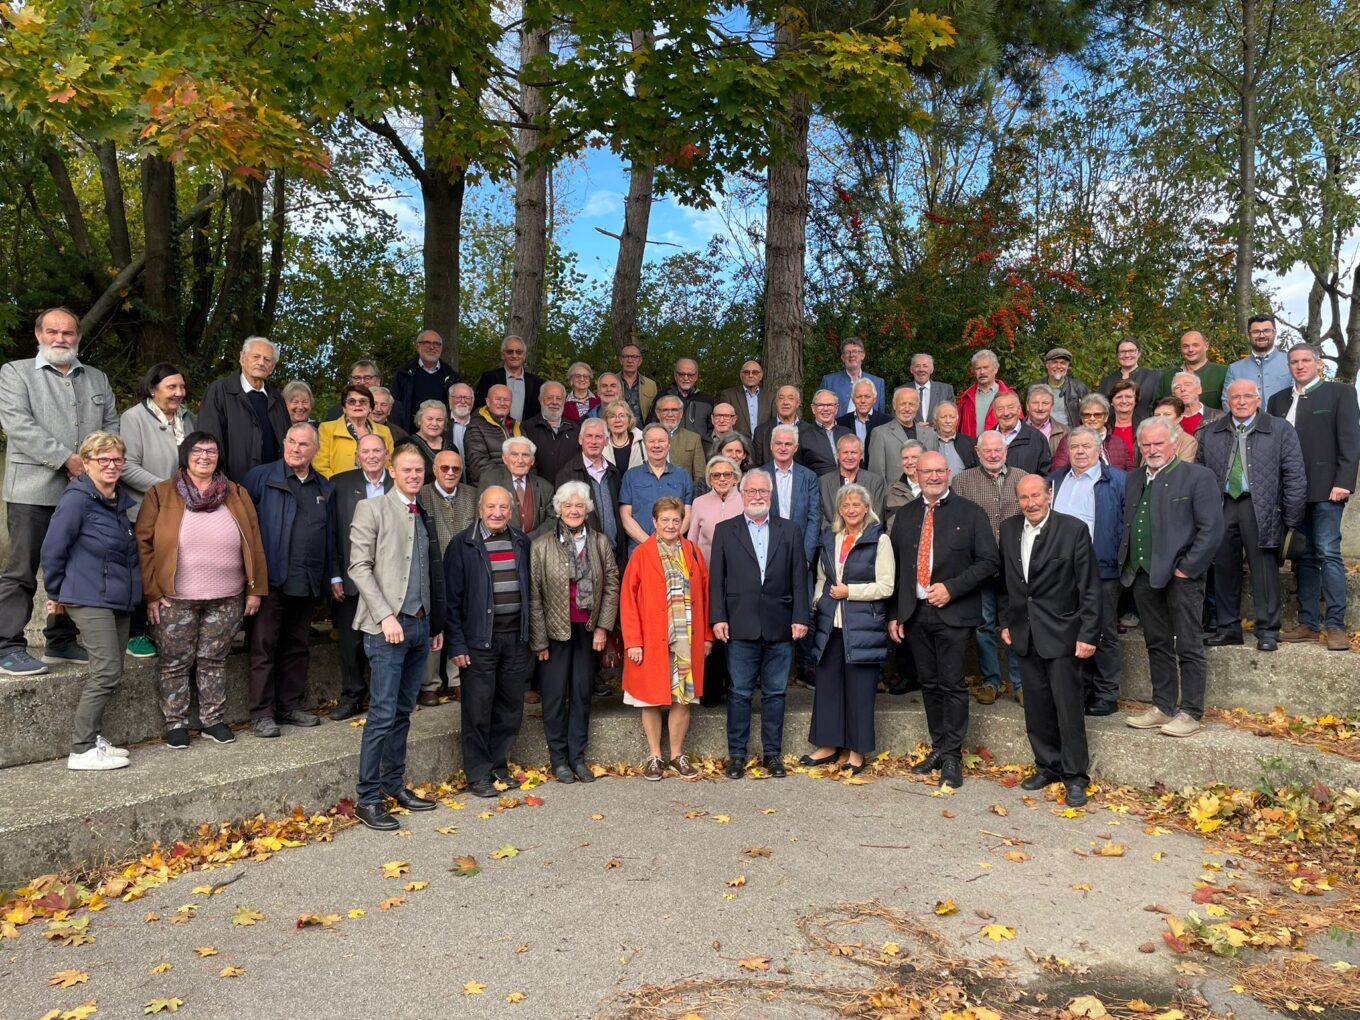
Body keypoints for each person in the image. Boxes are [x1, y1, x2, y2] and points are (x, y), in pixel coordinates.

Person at [0, 307, 118, 675]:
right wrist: (68, 460)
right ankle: (8, 645)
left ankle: (62, 640)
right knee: (22, 569)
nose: (60, 339)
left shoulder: (97, 379)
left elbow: (112, 425)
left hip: (84, 492)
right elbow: (18, 425)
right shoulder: (15, 372)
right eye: (52, 332)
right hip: (32, 490)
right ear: (38, 335)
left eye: (68, 333)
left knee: (75, 568)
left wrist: (95, 466)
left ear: (78, 337)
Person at [136, 431, 267, 748]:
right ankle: (176, 724)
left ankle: (212, 721)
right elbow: (144, 545)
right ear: (185, 455)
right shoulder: (161, 493)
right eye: (198, 450)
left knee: (213, 660)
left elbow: (254, 541)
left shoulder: (236, 493)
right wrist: (152, 593)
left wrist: (255, 589)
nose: (205, 456)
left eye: (211, 451)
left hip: (227, 597)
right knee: (174, 663)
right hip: (175, 598)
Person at [348, 446, 447, 831]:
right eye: (407, 469)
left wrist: (434, 623)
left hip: (420, 627)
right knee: (382, 715)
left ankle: (394, 784)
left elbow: (429, 570)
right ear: (392, 470)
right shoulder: (371, 510)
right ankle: (367, 798)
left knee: (404, 713)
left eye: (419, 470)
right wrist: (385, 615)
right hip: (386, 627)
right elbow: (359, 567)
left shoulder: (423, 512)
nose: (413, 475)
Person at [889, 452, 999, 789]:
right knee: (930, 683)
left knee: (952, 684)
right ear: (916, 475)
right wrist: (896, 612)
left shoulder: (970, 513)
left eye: (940, 470)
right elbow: (895, 568)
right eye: (927, 471)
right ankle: (939, 747)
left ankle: (952, 754)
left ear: (948, 473)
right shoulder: (905, 516)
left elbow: (989, 562)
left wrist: (952, 589)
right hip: (916, 614)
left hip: (954, 612)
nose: (934, 476)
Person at [998, 474, 1100, 806]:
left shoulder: (1073, 531)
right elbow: (1007, 583)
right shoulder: (1010, 529)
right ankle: (1047, 765)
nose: (1030, 503)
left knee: (1068, 708)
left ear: (1049, 495)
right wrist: (1007, 621)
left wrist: (1088, 633)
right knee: (1037, 707)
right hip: (1025, 633)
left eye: (1036, 495)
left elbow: (1089, 587)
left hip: (1063, 635)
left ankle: (1074, 776)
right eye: (1024, 498)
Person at [39, 433, 140, 770]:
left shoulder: (118, 501)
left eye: (117, 459)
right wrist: (56, 593)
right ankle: (81, 749)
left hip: (118, 598)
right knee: (106, 670)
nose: (111, 465)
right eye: (103, 460)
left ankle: (93, 737)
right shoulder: (77, 500)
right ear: (86, 463)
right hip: (88, 595)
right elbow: (53, 549)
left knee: (113, 670)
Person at [1120, 417, 1224, 738]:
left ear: (1174, 444)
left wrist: (1187, 569)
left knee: (1189, 643)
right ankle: (1163, 705)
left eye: (1158, 443)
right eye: (1146, 444)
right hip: (1141, 573)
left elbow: (1212, 529)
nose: (1152, 449)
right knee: (1156, 642)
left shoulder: (1197, 476)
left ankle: (1190, 711)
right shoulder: (1134, 479)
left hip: (1181, 576)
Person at [706, 470, 810, 778]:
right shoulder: (725, 530)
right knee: (739, 692)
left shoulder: (789, 530)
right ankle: (737, 755)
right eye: (751, 491)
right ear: (742, 492)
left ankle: (772, 755)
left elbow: (798, 577)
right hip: (740, 623)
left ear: (771, 494)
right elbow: (717, 579)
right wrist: (718, 616)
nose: (757, 496)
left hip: (780, 622)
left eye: (763, 491)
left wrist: (801, 616)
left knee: (776, 693)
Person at [1198, 380, 1306, 652]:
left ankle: (1268, 630)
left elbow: (1294, 475)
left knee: (1264, 569)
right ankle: (1227, 628)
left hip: (1262, 507)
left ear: (1259, 400)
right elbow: (1198, 475)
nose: (1242, 401)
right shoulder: (1210, 432)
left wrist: (1291, 519)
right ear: (1227, 402)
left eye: (1248, 396)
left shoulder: (1280, 429)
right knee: (1223, 568)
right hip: (1222, 506)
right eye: (1236, 397)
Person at [242, 423, 333, 738]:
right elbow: (244, 529)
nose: (296, 448)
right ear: (283, 444)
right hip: (270, 581)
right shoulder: (261, 478)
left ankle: (289, 706)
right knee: (264, 647)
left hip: (306, 580)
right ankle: (262, 714)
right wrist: (250, 579)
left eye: (304, 444)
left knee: (297, 646)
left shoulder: (324, 486)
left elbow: (329, 536)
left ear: (315, 450)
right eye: (291, 442)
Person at [1269, 344, 1360, 650]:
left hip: (1327, 491)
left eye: (1306, 360)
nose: (1300, 365)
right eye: (1294, 361)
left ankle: (1335, 625)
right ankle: (1309, 623)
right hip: (1290, 493)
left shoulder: (1340, 394)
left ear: (1318, 364)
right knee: (1302, 558)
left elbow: (1350, 441)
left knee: (1328, 554)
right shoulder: (1277, 400)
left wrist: (1344, 482)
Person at [529, 482, 621, 784]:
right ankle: (559, 760)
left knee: (582, 695)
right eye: (567, 505)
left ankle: (577, 758)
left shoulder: (599, 542)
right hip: (554, 633)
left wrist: (603, 628)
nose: (573, 510)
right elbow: (535, 595)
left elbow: (611, 585)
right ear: (558, 509)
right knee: (555, 697)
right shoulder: (542, 545)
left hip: (587, 629)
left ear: (587, 510)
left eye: (579, 505)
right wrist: (539, 639)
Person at [445, 486, 534, 798]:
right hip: (479, 641)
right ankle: (478, 773)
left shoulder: (521, 541)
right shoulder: (462, 544)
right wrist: (456, 644)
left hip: (515, 639)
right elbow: (451, 601)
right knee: (478, 709)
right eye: (491, 507)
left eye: (503, 507)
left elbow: (529, 592)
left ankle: (498, 766)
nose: (497, 513)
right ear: (480, 510)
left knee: (510, 707)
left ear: (511, 511)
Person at [620, 496, 712, 781]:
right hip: (652, 638)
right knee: (649, 698)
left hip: (687, 637)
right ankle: (654, 756)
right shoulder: (642, 553)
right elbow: (628, 599)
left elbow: (705, 596)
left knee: (682, 698)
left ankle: (676, 755)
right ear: (654, 523)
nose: (671, 525)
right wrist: (633, 641)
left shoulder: (692, 551)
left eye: (676, 520)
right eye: (665, 520)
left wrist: (707, 635)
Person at [803, 483, 893, 774]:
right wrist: (819, 600)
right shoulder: (831, 538)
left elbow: (886, 586)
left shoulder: (878, 540)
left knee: (860, 690)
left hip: (862, 626)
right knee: (828, 687)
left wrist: (849, 592)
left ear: (867, 508)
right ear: (839, 510)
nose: (851, 510)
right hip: (831, 626)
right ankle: (828, 746)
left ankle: (856, 751)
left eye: (857, 504)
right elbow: (822, 577)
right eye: (845, 505)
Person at [120, 362, 195, 658]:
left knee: (172, 569)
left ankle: (165, 631)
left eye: (181, 387)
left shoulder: (188, 419)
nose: (178, 393)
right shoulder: (134, 418)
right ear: (153, 388)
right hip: (145, 508)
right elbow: (126, 466)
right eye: (171, 387)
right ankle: (136, 633)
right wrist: (166, 489)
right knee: (144, 569)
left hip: (182, 510)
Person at [1050, 427, 1126, 716]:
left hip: (1101, 568)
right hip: (1062, 573)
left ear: (1098, 450)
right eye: (1074, 447)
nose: (1080, 452)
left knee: (1103, 632)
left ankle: (1106, 693)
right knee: (1071, 633)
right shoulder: (1055, 480)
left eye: (1086, 446)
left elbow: (1124, 525)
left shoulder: (1117, 480)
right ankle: (1080, 691)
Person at [951, 431, 1026, 704]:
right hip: (979, 567)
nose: (994, 455)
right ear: (977, 452)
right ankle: (991, 681)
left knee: (1017, 624)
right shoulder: (962, 482)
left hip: (1016, 566)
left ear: (1005, 451)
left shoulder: (1022, 478)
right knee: (983, 626)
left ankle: (1020, 683)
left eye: (998, 450)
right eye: (988, 451)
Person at [327, 433, 394, 720]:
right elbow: (330, 533)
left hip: (392, 579)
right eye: (365, 451)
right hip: (352, 577)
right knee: (350, 643)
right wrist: (333, 576)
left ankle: (386, 697)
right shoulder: (339, 484)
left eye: (376, 450)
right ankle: (353, 696)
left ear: (386, 454)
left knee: (390, 641)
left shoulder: (400, 484)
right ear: (357, 456)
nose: (371, 456)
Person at [416, 447, 478, 705]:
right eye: (445, 468)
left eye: (456, 469)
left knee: (462, 622)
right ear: (434, 470)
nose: (450, 473)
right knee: (434, 624)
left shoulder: (473, 495)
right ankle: (430, 683)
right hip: (433, 569)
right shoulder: (421, 495)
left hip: (466, 569)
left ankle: (457, 680)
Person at [687, 455, 744, 707]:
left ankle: (735, 689)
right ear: (709, 478)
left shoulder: (745, 500)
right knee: (711, 633)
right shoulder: (699, 502)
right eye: (716, 475)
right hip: (707, 579)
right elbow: (692, 542)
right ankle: (710, 690)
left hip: (740, 580)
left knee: (736, 635)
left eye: (727, 475)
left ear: (736, 477)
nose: (722, 479)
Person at [197, 336, 288, 482]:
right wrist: (218, 482)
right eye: (256, 357)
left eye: (267, 360)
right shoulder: (219, 391)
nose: (261, 363)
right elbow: (208, 440)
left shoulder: (277, 399)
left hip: (271, 487)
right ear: (242, 358)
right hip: (231, 485)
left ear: (272, 367)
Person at [556, 418, 623, 567]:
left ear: (606, 441)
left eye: (599, 437)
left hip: (614, 554)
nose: (594, 441)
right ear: (580, 440)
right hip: (584, 558)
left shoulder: (613, 472)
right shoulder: (567, 474)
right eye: (589, 436)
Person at [619, 424, 695, 551]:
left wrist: (670, 542)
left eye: (661, 441)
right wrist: (651, 544)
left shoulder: (683, 475)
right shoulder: (631, 476)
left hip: (675, 549)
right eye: (651, 441)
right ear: (644, 445)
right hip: (640, 549)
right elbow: (625, 516)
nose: (656, 445)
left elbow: (688, 514)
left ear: (668, 445)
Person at [481, 436, 555, 538]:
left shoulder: (545, 487)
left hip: (535, 547)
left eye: (525, 455)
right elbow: (482, 515)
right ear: (505, 459)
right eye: (514, 454)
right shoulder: (490, 480)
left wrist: (529, 540)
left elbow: (552, 520)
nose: (520, 460)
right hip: (501, 546)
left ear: (532, 460)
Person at [315, 384, 395, 478]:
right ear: (344, 408)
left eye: (363, 401)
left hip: (378, 489)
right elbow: (320, 466)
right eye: (352, 401)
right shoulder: (327, 429)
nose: (357, 404)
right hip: (339, 489)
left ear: (370, 407)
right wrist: (339, 487)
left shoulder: (384, 431)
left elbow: (391, 463)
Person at [390, 329, 461, 433]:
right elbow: (394, 406)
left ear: (441, 348)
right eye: (427, 343)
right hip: (409, 434)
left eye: (437, 344)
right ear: (417, 346)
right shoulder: (403, 374)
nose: (432, 347)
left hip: (442, 435)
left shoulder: (452, 377)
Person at [866, 386, 938, 477]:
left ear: (917, 406)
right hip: (895, 490)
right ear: (894, 405)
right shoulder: (880, 434)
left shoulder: (931, 435)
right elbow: (877, 474)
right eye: (902, 404)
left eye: (911, 404)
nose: (907, 409)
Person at [817, 435, 886, 529]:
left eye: (854, 452)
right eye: (845, 452)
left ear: (861, 455)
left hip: (866, 539)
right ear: (837, 454)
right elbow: (823, 522)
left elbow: (876, 519)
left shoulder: (875, 482)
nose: (849, 457)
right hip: (833, 539)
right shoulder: (823, 482)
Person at [1223, 314, 1290, 407]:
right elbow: (1227, 402)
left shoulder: (1291, 361)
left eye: (1267, 331)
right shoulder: (1234, 369)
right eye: (1256, 332)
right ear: (1248, 336)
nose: (1262, 335)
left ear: (1274, 333)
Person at [473, 335, 544, 424]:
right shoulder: (489, 378)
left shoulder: (537, 383)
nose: (514, 355)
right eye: (510, 352)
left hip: (526, 435)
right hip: (494, 433)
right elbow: (478, 408)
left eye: (519, 352)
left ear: (524, 356)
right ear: (503, 355)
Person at [522, 381, 579, 484]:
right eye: (549, 398)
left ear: (564, 401)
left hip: (569, 494)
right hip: (538, 492)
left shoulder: (575, 429)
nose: (554, 402)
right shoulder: (527, 428)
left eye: (559, 398)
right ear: (540, 399)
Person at [1154, 329, 1227, 410]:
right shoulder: (1167, 377)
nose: (1190, 350)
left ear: (1206, 346)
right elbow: (1157, 409)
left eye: (1195, 345)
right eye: (1185, 346)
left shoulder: (1224, 373)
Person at [323, 361, 409, 429]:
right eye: (357, 378)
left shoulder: (397, 408)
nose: (362, 382)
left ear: (378, 381)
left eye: (367, 378)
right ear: (350, 381)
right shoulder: (335, 412)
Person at [464, 384, 521, 485]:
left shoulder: (517, 426)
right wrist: (510, 479)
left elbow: (530, 457)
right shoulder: (476, 426)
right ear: (488, 401)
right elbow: (478, 464)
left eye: (506, 400)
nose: (502, 403)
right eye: (498, 399)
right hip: (490, 488)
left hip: (517, 485)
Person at [819, 337, 885, 416]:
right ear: (842, 357)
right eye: (847, 352)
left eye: (855, 351)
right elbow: (820, 410)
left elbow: (881, 415)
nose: (851, 355)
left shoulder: (878, 383)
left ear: (863, 355)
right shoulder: (829, 382)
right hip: (838, 427)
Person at [1098, 337, 1160, 419]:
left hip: (1145, 428)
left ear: (1139, 353)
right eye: (1122, 352)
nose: (1127, 355)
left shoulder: (1153, 377)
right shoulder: (1106, 381)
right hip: (1112, 428)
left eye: (1131, 351)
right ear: (1117, 355)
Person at [991, 391, 1051, 476]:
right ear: (994, 412)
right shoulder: (985, 440)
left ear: (1019, 409)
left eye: (1011, 407)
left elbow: (1045, 476)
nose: (1006, 413)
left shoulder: (1037, 439)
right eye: (1000, 409)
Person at [957, 349, 1012, 438]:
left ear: (995, 369)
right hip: (970, 449)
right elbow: (957, 426)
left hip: (999, 449)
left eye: (986, 367)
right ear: (974, 372)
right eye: (978, 368)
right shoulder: (966, 397)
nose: (982, 372)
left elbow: (1019, 425)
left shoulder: (1009, 395)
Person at [652, 393, 706, 483]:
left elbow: (700, 477)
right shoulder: (646, 437)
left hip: (683, 494)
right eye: (665, 410)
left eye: (674, 410)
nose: (670, 414)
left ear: (681, 413)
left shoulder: (693, 439)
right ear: (658, 413)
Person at [799, 389, 853, 476]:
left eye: (830, 405)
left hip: (848, 486)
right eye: (821, 405)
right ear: (813, 409)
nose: (825, 409)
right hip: (818, 487)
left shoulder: (848, 433)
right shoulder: (803, 436)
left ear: (836, 408)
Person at [654, 358, 715, 435]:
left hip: (699, 446)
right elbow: (651, 426)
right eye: (682, 374)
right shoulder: (663, 397)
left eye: (690, 375)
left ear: (696, 377)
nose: (686, 378)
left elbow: (712, 430)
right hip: (669, 445)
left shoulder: (706, 400)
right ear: (675, 376)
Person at [1077, 393, 1134, 471]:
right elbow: (1060, 472)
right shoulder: (1070, 440)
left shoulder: (1118, 442)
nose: (1092, 419)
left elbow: (1130, 470)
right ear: (1082, 418)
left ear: (1106, 417)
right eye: (1087, 415)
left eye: (1098, 415)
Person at [720, 360, 772, 439]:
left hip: (763, 445)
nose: (750, 375)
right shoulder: (728, 395)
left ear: (761, 376)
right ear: (741, 375)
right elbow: (723, 422)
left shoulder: (770, 397)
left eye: (755, 372)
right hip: (737, 444)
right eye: (747, 372)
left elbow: (774, 424)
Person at [753, 384, 804, 465]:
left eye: (790, 398)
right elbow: (757, 465)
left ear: (797, 403)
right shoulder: (761, 431)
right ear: (776, 402)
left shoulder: (809, 431)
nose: (785, 402)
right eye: (781, 398)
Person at [836, 379, 891, 447]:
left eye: (867, 396)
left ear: (874, 399)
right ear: (853, 399)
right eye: (859, 397)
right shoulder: (840, 423)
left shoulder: (887, 422)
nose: (863, 401)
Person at [1024, 384, 1067, 469]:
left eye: (1045, 403)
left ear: (1052, 406)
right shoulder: (1016, 429)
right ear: (1027, 405)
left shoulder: (1065, 432)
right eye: (1035, 403)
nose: (1040, 408)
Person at [884, 440, 925, 529]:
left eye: (914, 457)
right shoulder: (891, 491)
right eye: (905, 458)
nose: (909, 462)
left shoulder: (933, 489)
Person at [1170, 371, 1223, 438]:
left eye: (1188, 385)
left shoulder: (1219, 417)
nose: (1183, 389)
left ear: (1199, 389)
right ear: (1173, 394)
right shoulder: (1169, 422)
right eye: (1177, 387)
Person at [409, 400, 451, 484]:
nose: (434, 423)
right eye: (430, 419)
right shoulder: (406, 445)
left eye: (439, 420)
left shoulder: (451, 447)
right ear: (419, 420)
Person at [617, 342, 657, 424]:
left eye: (634, 357)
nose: (630, 360)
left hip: (643, 434)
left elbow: (655, 413)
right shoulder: (611, 382)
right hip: (617, 432)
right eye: (626, 357)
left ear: (640, 361)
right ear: (621, 360)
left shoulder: (651, 385)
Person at [932, 402, 976, 478]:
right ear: (935, 420)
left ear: (957, 420)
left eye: (952, 417)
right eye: (943, 417)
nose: (948, 421)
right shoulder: (928, 442)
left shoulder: (970, 443)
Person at [909, 353, 954, 425]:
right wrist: (913, 427)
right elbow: (896, 419)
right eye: (917, 366)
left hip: (937, 435)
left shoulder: (946, 390)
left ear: (931, 370)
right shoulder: (900, 391)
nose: (921, 369)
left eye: (925, 366)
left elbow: (952, 418)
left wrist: (933, 428)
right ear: (911, 369)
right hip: (910, 435)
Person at [601, 398, 644, 472]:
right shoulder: (600, 443)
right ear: (606, 421)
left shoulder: (643, 441)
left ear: (629, 419)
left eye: (622, 416)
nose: (617, 420)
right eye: (612, 416)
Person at [1151, 397, 1198, 462]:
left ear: (1180, 417)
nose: (1161, 419)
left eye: (1167, 415)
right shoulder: (1149, 438)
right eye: (1157, 415)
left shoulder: (1188, 441)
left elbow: (1182, 469)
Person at [1107, 380, 1141, 466]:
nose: (1124, 401)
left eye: (1128, 397)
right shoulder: (1104, 426)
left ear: (1135, 400)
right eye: (1118, 397)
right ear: (1111, 402)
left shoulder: (1145, 425)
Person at [448, 382, 476, 457]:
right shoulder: (441, 423)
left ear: (473, 401)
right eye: (458, 397)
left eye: (467, 398)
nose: (463, 401)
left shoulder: (480, 424)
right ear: (450, 399)